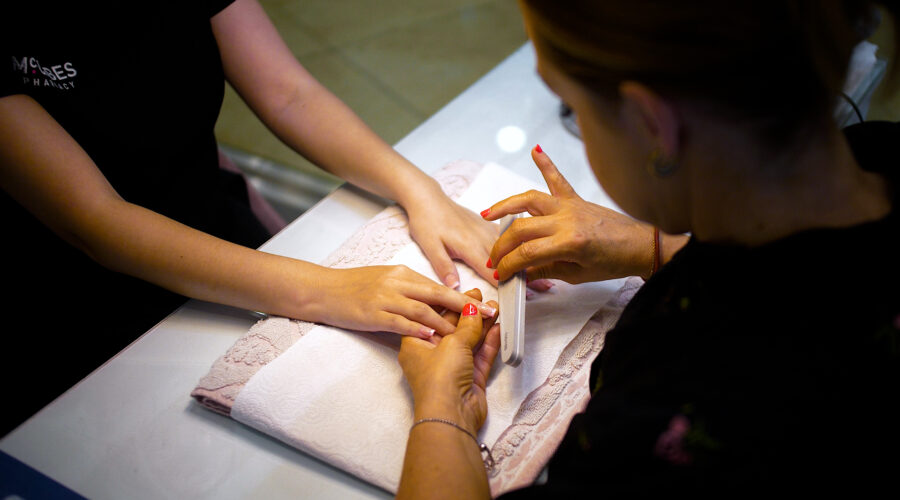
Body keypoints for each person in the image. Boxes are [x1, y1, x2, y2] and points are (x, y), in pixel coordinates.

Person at [395, 0, 900, 496]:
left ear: (651, 124)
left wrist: (443, 410)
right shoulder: (878, 153)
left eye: (572, 101)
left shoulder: (677, 418)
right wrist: (657, 249)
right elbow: (804, 281)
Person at [0, 0, 502, 437]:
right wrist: (324, 290)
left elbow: (289, 93)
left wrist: (420, 191)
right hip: (76, 300)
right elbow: (95, 221)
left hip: (214, 220)